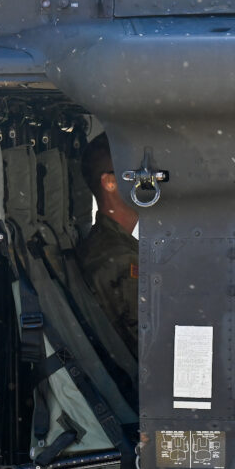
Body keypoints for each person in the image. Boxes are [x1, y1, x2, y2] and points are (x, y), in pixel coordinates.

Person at [77, 132, 139, 359]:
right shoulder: (120, 259)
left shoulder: (112, 247)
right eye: (137, 173)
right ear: (110, 183)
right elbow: (150, 346)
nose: (149, 180)